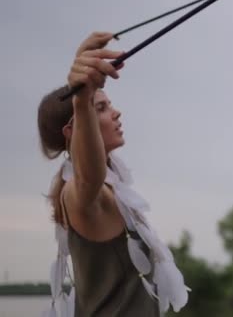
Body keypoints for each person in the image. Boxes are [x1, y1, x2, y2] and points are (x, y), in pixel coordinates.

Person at [37, 32, 188, 316]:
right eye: (102, 108)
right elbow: (88, 177)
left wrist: (86, 99)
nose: (116, 113)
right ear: (73, 131)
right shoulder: (80, 193)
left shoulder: (111, 191)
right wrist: (82, 100)